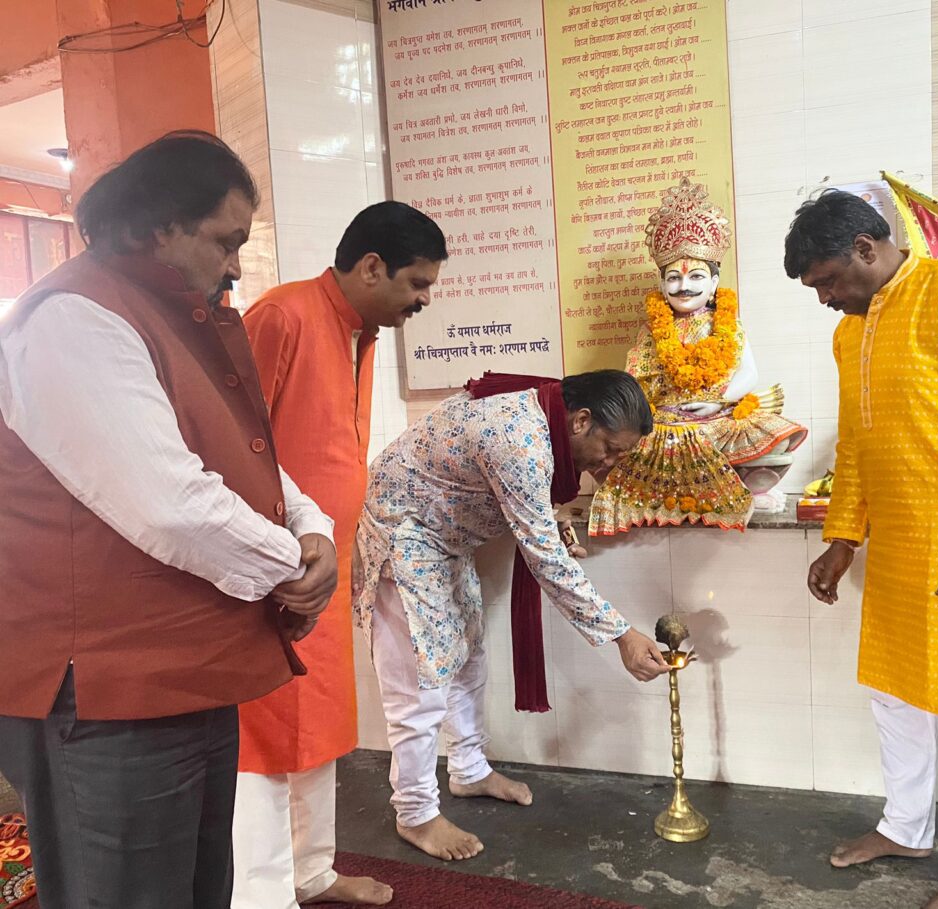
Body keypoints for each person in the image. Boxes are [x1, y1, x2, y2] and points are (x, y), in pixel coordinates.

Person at [0, 132, 337, 909]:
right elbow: (170, 503)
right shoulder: (72, 319)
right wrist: (291, 567)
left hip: (186, 666)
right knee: (127, 894)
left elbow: (243, 454)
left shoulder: (171, 316)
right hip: (107, 687)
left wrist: (309, 524)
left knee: (194, 887)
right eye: (225, 240)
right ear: (159, 226)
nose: (235, 265)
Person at [785, 190, 938, 909]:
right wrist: (842, 538)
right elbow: (857, 444)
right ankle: (906, 827)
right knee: (897, 699)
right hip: (897, 548)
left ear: (867, 248)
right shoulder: (848, 334)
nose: (825, 298)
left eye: (829, 280)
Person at [353, 370, 670, 862]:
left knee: (467, 661)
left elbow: (533, 518)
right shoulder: (518, 439)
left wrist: (550, 527)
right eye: (610, 449)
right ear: (581, 421)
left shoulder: (540, 420)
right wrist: (622, 635)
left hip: (443, 538)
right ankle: (415, 813)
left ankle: (469, 770)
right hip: (402, 533)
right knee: (420, 685)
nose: (608, 464)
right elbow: (545, 559)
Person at [232, 202, 447, 908]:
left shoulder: (361, 330)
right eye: (418, 283)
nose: (424, 299)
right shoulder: (283, 316)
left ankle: (312, 873)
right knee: (265, 742)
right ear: (372, 266)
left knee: (316, 728)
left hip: (327, 568)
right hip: (273, 574)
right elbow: (231, 445)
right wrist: (276, 552)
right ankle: (260, 896)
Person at [590, 176, 806, 535]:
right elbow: (636, 381)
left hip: (716, 416)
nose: (684, 286)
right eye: (673, 278)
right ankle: (739, 487)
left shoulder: (726, 323)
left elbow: (749, 373)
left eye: (695, 277)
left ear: (714, 283)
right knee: (612, 450)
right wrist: (655, 415)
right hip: (665, 422)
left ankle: (732, 486)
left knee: (776, 439)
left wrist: (717, 402)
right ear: (662, 285)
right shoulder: (652, 331)